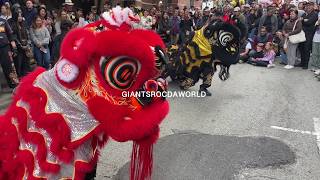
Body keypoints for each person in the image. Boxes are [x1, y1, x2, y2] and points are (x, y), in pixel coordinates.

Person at [10, 11, 31, 77]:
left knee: (26, 62)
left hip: (26, 46)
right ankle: (20, 76)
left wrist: (28, 44)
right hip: (18, 48)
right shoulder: (13, 25)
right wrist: (20, 45)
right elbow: (14, 37)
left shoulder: (24, 24)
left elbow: (28, 35)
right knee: (19, 63)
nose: (20, 18)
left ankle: (26, 76)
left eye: (21, 16)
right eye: (18, 16)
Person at [299, 1, 318, 69]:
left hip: (309, 34)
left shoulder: (315, 14)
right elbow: (299, 21)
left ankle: (306, 64)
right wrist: (304, 20)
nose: (308, 7)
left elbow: (309, 22)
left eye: (310, 5)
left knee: (306, 49)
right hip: (302, 34)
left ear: (313, 6)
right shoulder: (304, 14)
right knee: (301, 48)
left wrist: (303, 20)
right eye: (307, 6)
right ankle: (302, 62)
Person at [0, 16, 18, 89]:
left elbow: (10, 35)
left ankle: (14, 86)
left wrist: (14, 47)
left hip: (5, 47)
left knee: (10, 67)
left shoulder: (3, 21)